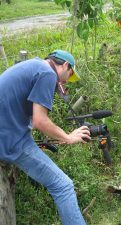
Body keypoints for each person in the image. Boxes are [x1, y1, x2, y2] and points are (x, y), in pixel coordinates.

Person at [0, 50, 91, 225]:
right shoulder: (47, 74)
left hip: (8, 132)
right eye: (69, 75)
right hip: (9, 139)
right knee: (63, 186)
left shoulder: (34, 66)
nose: (65, 81)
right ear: (65, 65)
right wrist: (68, 137)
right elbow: (40, 121)